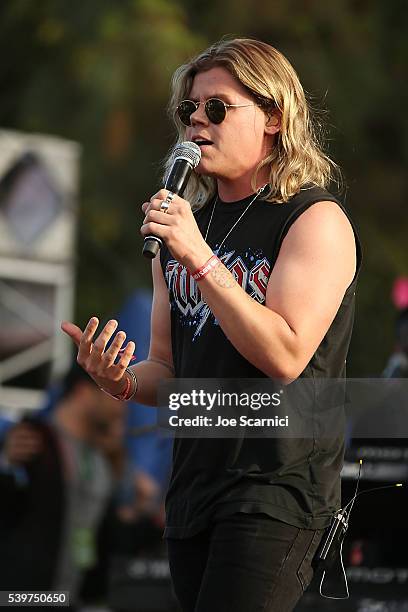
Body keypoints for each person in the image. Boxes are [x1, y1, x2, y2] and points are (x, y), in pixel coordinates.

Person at [62, 37, 362, 612]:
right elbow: (166, 370)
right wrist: (118, 378)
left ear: (274, 117)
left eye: (217, 107)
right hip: (193, 488)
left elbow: (286, 354)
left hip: (276, 486)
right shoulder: (180, 233)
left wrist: (200, 258)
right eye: (189, 110)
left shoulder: (314, 219)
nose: (197, 121)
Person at [0, 362, 125, 609]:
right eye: (113, 392)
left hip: (71, 598)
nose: (122, 402)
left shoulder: (101, 460)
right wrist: (7, 463)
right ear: (84, 393)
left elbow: (107, 535)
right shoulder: (29, 441)